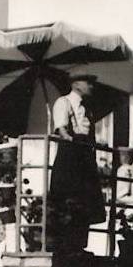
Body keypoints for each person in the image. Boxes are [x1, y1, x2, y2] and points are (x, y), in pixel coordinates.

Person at [47, 74, 106, 252]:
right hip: (70, 156)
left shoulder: (88, 109)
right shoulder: (63, 103)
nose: (91, 86)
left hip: (85, 157)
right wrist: (76, 141)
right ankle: (66, 244)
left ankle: (80, 244)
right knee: (69, 199)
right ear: (76, 84)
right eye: (88, 83)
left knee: (86, 199)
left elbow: (91, 135)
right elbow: (62, 132)